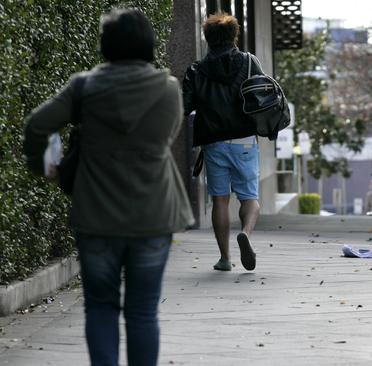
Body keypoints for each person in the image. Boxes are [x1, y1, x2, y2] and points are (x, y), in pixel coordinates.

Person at [22, 8, 194, 366]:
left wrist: (44, 168)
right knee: (143, 312)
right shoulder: (168, 90)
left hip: (97, 216)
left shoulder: (85, 87)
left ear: (106, 45)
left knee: (100, 307)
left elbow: (38, 124)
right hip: (154, 214)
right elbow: (167, 138)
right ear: (149, 43)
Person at [183, 12, 260, 272]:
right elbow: (262, 96)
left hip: (214, 142)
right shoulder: (249, 63)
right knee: (250, 198)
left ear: (207, 38)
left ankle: (225, 259)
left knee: (220, 200)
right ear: (234, 35)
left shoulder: (196, 70)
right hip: (245, 140)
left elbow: (184, 106)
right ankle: (246, 234)